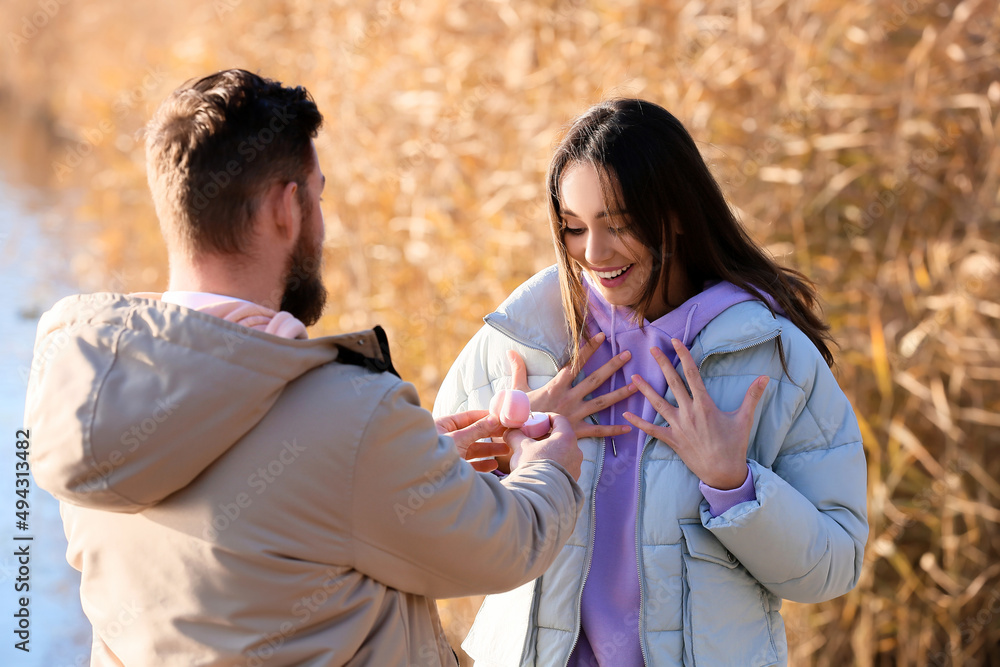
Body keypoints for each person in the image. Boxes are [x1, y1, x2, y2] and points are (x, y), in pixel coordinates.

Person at [24, 69, 586, 666]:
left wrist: (409, 462)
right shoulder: (353, 415)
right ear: (285, 208)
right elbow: (501, 548)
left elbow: (281, 522)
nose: (321, 221)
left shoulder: (94, 401)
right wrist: (547, 468)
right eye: (317, 194)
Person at [433, 99, 869, 666]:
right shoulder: (523, 340)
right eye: (573, 227)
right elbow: (420, 522)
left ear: (679, 212)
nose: (594, 253)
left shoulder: (770, 353)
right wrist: (511, 445)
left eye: (619, 225)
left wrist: (733, 484)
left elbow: (833, 567)